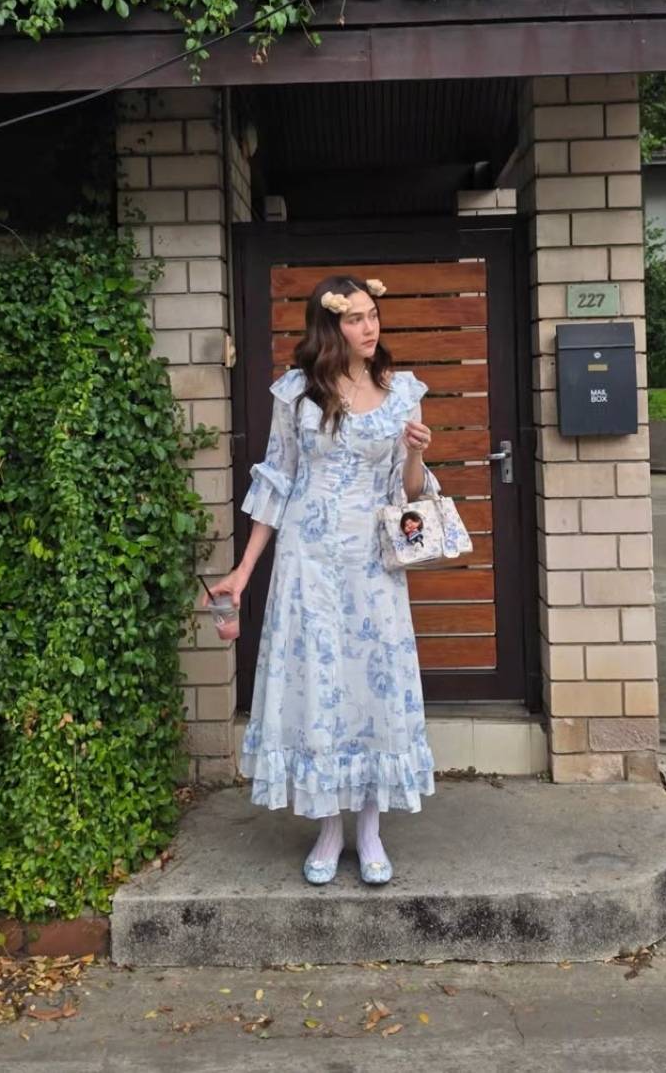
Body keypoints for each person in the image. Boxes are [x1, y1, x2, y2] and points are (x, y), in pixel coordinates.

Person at [202, 274, 437, 886]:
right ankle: (329, 830)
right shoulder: (298, 394)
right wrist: (244, 571)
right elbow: (276, 483)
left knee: (372, 688)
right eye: (355, 318)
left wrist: (416, 451)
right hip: (306, 565)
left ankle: (370, 830)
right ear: (329, 327)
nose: (369, 326)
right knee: (320, 688)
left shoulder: (402, 392)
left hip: (373, 566)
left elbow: (410, 494)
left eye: (373, 314)